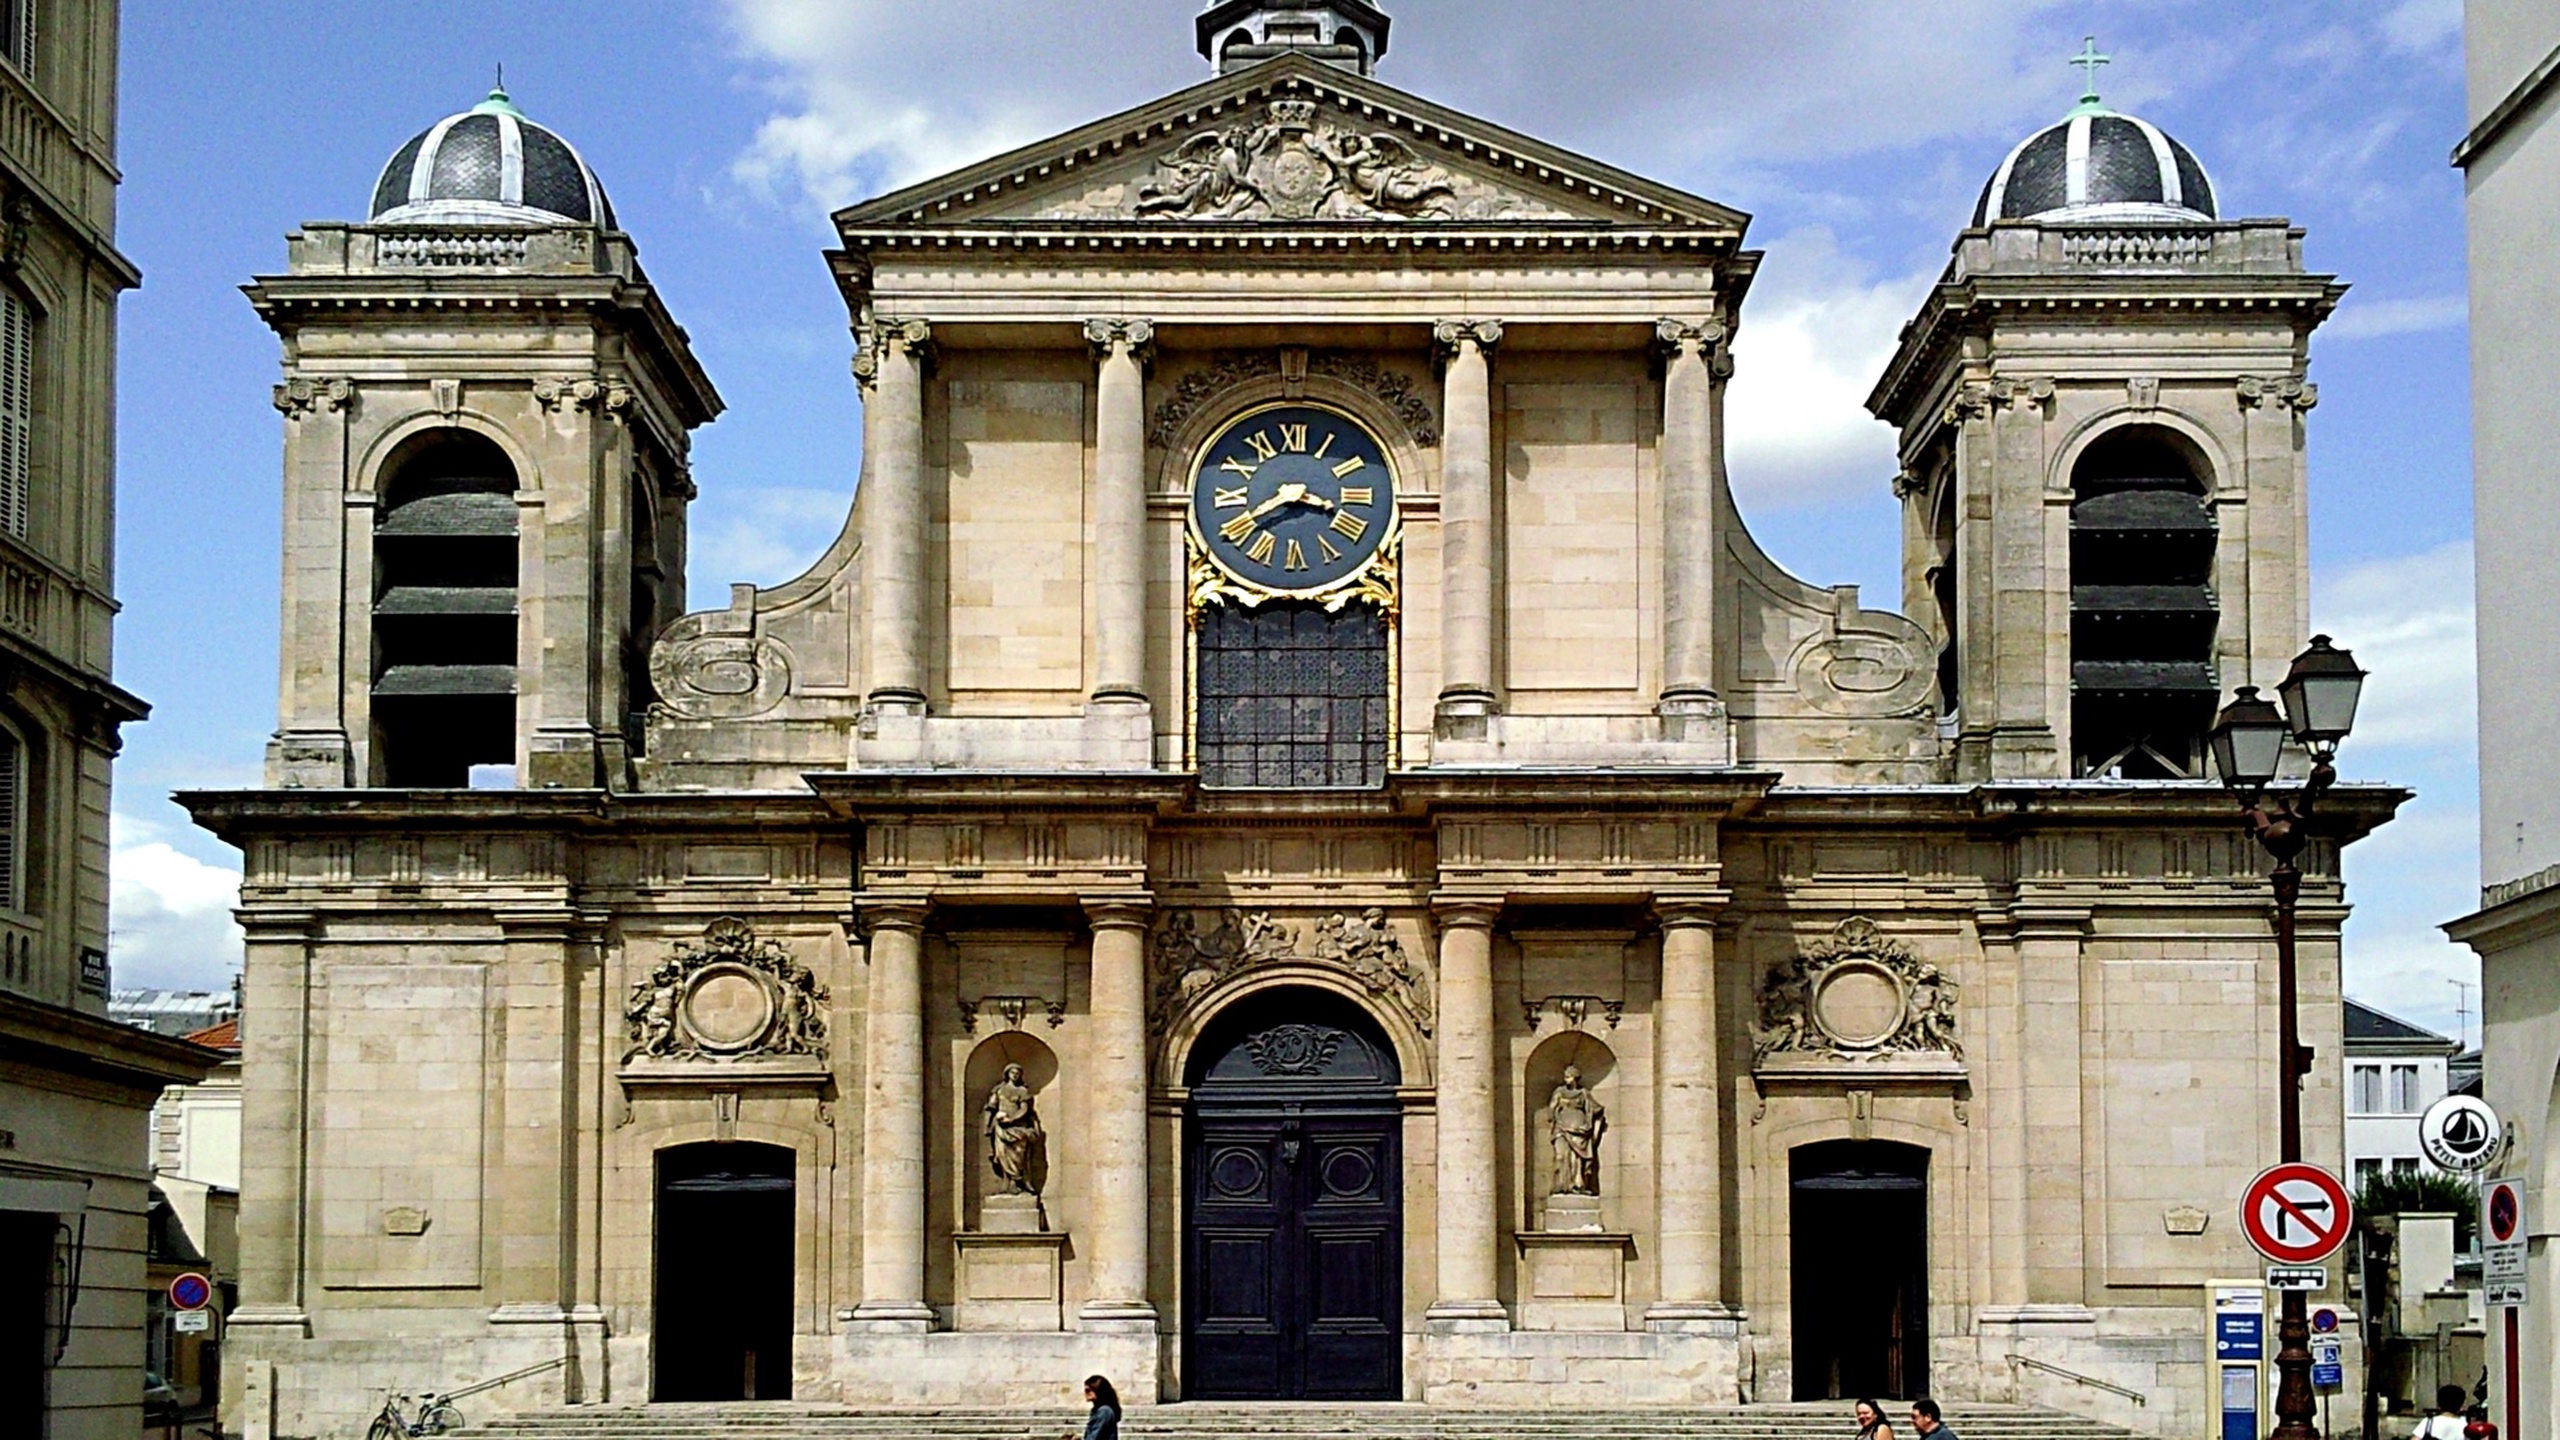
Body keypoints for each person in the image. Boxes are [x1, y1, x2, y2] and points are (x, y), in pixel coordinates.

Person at [1076, 1374, 1120, 1440]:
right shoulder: (1098, 1410)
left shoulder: (1104, 1411)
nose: (1085, 1393)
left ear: (1098, 1390)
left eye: (1088, 1390)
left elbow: (1095, 1436)